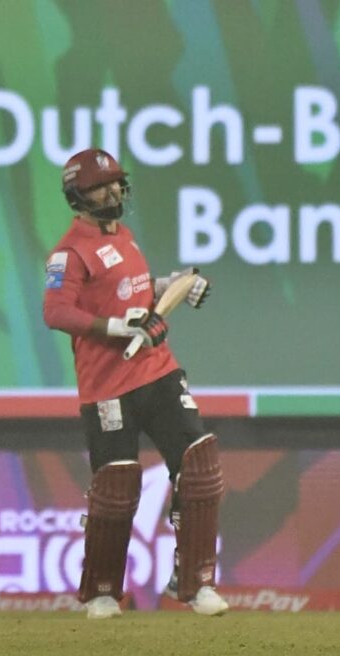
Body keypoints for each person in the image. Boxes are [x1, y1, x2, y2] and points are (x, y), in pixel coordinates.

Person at [42, 148, 229, 619]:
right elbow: (56, 312)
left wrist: (176, 285)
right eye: (101, 186)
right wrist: (114, 328)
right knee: (117, 486)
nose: (113, 192)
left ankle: (195, 583)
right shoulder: (70, 252)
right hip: (107, 386)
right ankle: (102, 590)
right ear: (78, 196)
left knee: (198, 463)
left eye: (116, 183)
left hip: (158, 371)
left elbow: (136, 293)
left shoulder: (124, 236)